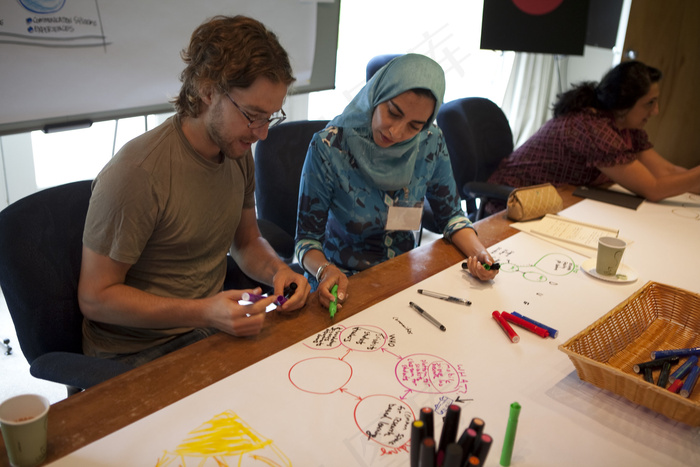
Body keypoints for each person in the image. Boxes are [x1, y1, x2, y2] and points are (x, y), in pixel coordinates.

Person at [78, 15, 310, 367]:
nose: (262, 134)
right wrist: (205, 312)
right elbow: (95, 298)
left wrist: (279, 272)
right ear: (207, 89)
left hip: (204, 329)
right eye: (252, 115)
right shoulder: (138, 174)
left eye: (270, 117)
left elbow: (246, 242)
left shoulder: (236, 149)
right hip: (134, 353)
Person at [294, 54, 499, 311]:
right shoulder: (330, 147)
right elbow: (306, 241)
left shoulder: (430, 142)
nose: (396, 132)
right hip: (340, 284)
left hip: (405, 281)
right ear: (377, 94)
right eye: (392, 112)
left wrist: (480, 253)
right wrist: (325, 271)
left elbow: (451, 217)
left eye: (414, 125)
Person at [486, 60, 700, 215]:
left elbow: (668, 172)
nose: (655, 111)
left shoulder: (626, 127)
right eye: (649, 103)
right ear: (625, 103)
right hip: (511, 203)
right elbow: (653, 188)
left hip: (557, 202)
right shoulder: (593, 128)